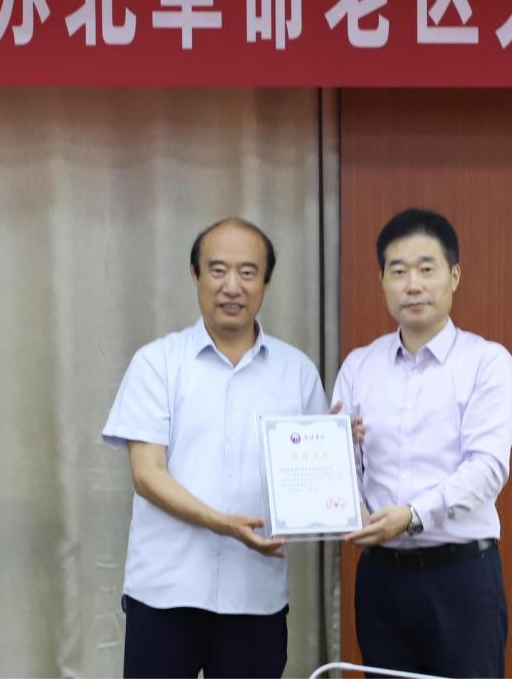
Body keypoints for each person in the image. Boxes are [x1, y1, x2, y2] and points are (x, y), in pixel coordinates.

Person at [101, 217, 329, 679]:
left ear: (266, 282)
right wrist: (222, 523)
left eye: (248, 272)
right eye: (218, 270)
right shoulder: (157, 363)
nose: (232, 287)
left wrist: (339, 449)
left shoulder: (298, 372)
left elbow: (315, 483)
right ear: (195, 274)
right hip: (165, 593)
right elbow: (147, 474)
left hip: (255, 598)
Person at [335, 208, 512, 678]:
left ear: (454, 276)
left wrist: (413, 515)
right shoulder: (358, 366)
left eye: (426, 269)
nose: (412, 285)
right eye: (398, 271)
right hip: (380, 578)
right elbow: (342, 467)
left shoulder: (487, 363)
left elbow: (487, 469)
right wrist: (346, 499)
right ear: (382, 281)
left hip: (460, 577)